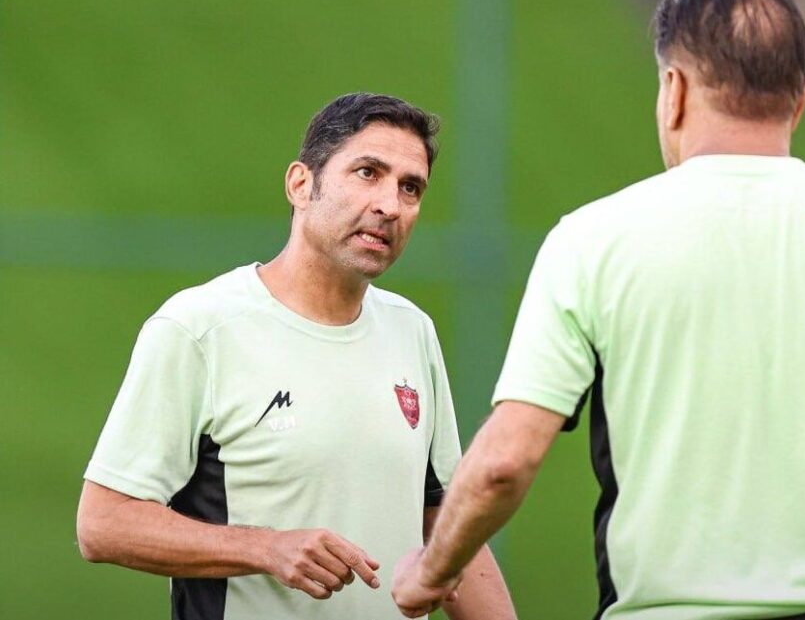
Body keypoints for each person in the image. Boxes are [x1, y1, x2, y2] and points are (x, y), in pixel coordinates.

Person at [391, 0, 805, 620]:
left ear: (675, 90)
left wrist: (433, 571)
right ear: (799, 101)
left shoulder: (593, 240)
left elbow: (505, 462)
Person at [77, 92, 516, 620]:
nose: (390, 205)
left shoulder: (412, 330)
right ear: (301, 184)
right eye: (368, 173)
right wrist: (266, 548)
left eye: (410, 187)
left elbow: (443, 524)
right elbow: (104, 523)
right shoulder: (199, 329)